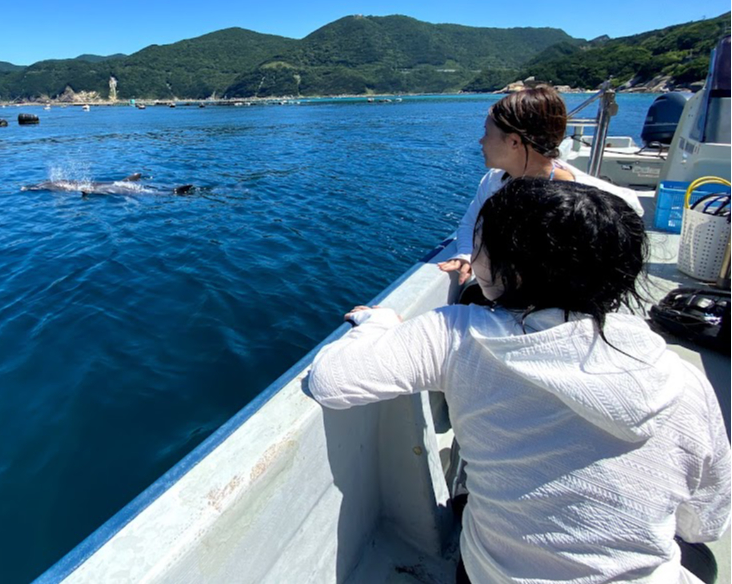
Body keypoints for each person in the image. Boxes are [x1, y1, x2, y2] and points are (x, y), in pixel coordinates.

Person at [308, 179, 729, 583]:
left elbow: (331, 381)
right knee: (699, 558)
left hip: (489, 576)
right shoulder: (685, 383)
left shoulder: (456, 334)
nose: (473, 256)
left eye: (483, 246)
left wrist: (377, 321)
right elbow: (705, 521)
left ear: (514, 272)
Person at [438, 85, 643, 286]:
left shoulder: (590, 197)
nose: (481, 141)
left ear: (514, 142)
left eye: (486, 133)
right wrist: (465, 253)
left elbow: (631, 211)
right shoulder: (494, 180)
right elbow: (470, 224)